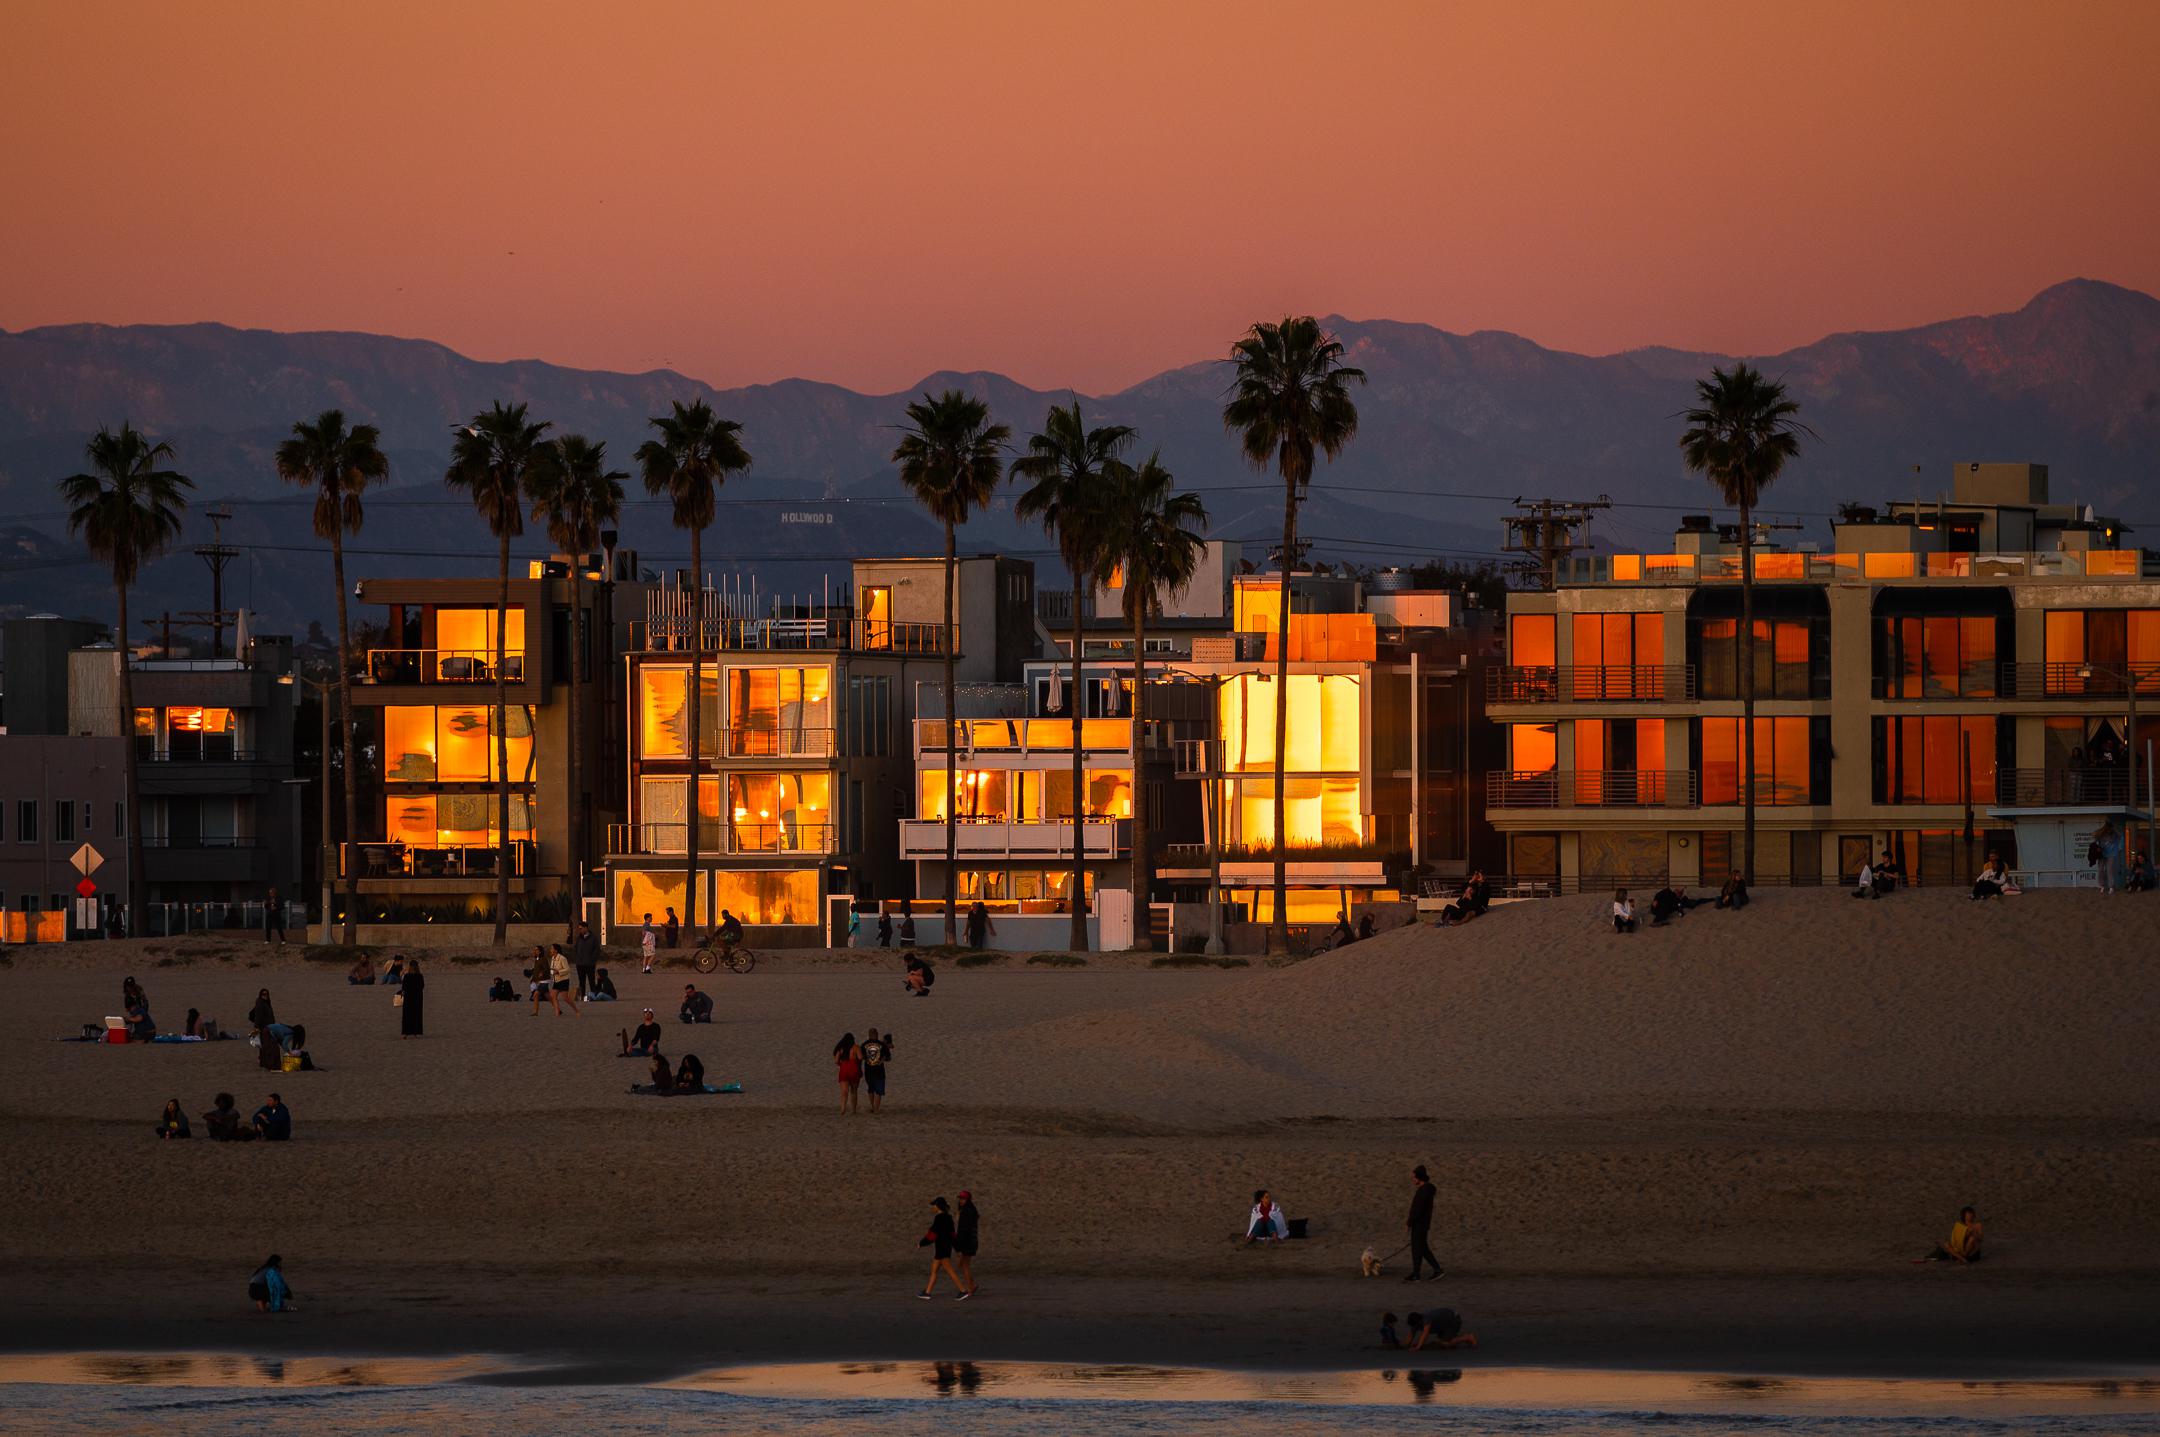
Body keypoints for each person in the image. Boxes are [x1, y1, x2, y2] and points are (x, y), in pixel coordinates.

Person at [1404, 1164, 1444, 1282]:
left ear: (1419, 1177)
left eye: (1414, 1177)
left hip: (1420, 1224)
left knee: (1419, 1248)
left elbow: (1418, 1209)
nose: (1413, 1179)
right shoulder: (1424, 1190)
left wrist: (1409, 1223)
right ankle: (1419, 1273)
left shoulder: (1424, 1191)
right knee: (1420, 1248)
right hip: (1421, 1224)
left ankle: (1434, 1270)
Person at [919, 1196, 963, 1299]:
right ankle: (927, 1292)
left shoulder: (938, 1218)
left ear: (938, 1206)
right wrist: (957, 1249)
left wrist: (922, 1243)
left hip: (941, 1249)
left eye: (934, 1205)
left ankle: (963, 1290)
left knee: (950, 1270)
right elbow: (953, 1236)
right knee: (934, 1270)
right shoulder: (949, 1218)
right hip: (945, 1248)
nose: (932, 1207)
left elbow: (932, 1235)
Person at [1913, 1205, 1984, 1264]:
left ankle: (1963, 1257)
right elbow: (1956, 1239)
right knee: (1946, 1244)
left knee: (1972, 1239)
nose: (1970, 1216)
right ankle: (1961, 1258)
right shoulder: (1960, 1226)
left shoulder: (1977, 1225)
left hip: (1972, 1251)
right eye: (1968, 1214)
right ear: (1964, 1216)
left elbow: (1981, 1239)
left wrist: (1973, 1233)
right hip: (1961, 1249)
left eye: (1971, 1213)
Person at [1405, 1308, 1478, 1350]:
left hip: (1454, 1320)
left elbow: (1425, 1334)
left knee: (1445, 1344)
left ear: (1419, 1321)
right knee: (1442, 1341)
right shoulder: (1416, 1322)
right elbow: (1410, 1335)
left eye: (1415, 1325)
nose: (1414, 1327)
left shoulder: (1426, 1319)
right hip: (1443, 1324)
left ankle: (1468, 1337)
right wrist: (1405, 1346)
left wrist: (1418, 1347)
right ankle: (1454, 1339)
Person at [954, 1190, 980, 1297]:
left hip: (966, 1242)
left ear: (968, 1200)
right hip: (972, 1241)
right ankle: (972, 1284)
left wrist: (958, 1246)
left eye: (963, 1198)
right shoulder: (972, 1210)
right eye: (960, 1198)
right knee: (963, 1265)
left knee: (963, 1266)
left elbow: (962, 1231)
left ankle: (970, 1288)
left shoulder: (965, 1211)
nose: (961, 1200)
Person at [861, 1027, 893, 1113]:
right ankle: (876, 1109)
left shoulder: (864, 1044)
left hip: (868, 1070)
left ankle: (872, 1107)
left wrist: (867, 1060)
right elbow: (888, 1058)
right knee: (878, 1091)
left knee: (871, 1089)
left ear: (869, 1035)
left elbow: (861, 1057)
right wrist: (882, 1060)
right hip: (879, 1071)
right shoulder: (882, 1045)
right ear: (877, 1034)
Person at [571, 921, 602, 999]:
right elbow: (575, 949)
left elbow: (597, 950)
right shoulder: (579, 938)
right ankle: (582, 996)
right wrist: (577, 959)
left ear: (586, 928)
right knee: (581, 981)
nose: (580, 930)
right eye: (579, 929)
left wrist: (592, 960)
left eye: (581, 928)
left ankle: (593, 996)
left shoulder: (593, 938)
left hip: (590, 964)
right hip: (580, 964)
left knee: (591, 981)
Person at [549, 944, 582, 1015]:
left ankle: (577, 1010)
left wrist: (558, 971)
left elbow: (567, 969)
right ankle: (557, 1013)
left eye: (552, 948)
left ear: (556, 950)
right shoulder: (553, 958)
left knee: (565, 998)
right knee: (553, 996)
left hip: (564, 980)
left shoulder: (562, 958)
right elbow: (552, 969)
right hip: (556, 980)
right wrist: (552, 972)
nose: (550, 950)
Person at [835, 1031, 863, 1115]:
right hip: (854, 1069)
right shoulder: (856, 1047)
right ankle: (853, 1110)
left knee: (844, 1091)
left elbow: (836, 1061)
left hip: (844, 1069)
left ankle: (843, 1109)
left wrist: (841, 1064)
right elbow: (860, 1057)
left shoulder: (841, 1049)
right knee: (854, 1091)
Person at [399, 957, 426, 1037]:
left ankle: (406, 1033)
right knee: (416, 1015)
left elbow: (404, 987)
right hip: (417, 998)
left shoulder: (407, 976)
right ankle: (415, 1032)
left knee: (407, 1015)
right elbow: (422, 986)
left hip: (409, 997)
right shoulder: (419, 976)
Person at [528, 945, 558, 1016]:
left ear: (540, 951)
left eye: (536, 950)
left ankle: (535, 1012)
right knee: (548, 997)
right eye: (534, 950)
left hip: (545, 980)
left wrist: (542, 973)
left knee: (535, 995)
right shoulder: (537, 959)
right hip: (540, 980)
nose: (534, 951)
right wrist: (533, 979)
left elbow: (547, 968)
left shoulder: (543, 959)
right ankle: (558, 1009)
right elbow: (536, 971)